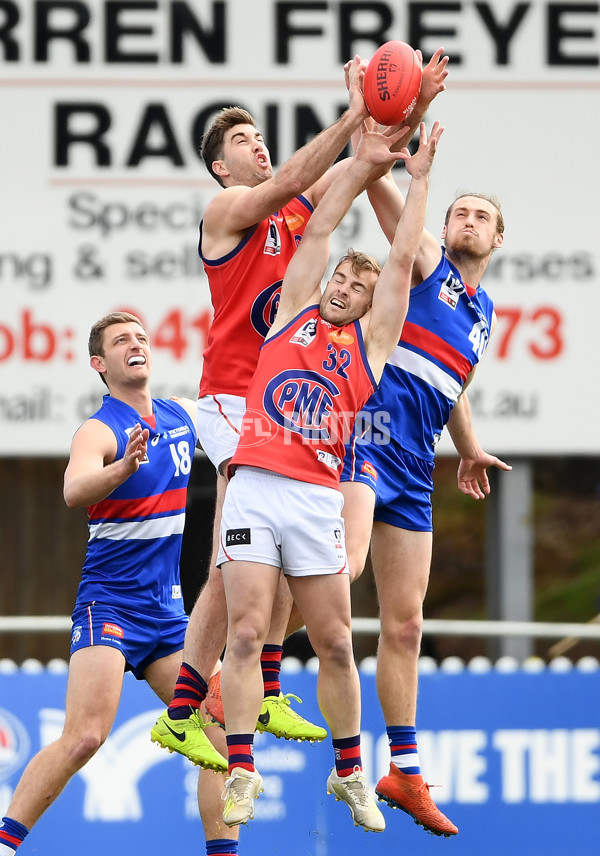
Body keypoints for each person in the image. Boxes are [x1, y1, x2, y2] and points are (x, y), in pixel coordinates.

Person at [152, 49, 450, 755]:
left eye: (258, 132)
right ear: (222, 167)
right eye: (239, 140)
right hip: (230, 398)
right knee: (236, 554)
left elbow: (372, 165)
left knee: (278, 542)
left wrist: (409, 110)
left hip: (281, 405)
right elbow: (304, 172)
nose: (255, 142)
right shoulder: (227, 208)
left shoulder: (298, 204)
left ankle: (266, 687)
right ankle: (192, 695)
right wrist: (353, 111)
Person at [215, 113, 444, 833]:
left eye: (355, 280)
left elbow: (403, 262)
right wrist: (360, 156)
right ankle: (243, 768)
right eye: (341, 274)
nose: (343, 283)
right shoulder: (288, 314)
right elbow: (320, 226)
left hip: (316, 497)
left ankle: (351, 771)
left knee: (338, 642)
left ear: (373, 304)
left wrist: (420, 179)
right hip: (256, 482)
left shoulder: (371, 349)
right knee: (249, 634)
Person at [0, 312, 236, 856]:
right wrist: (121, 469)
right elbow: (73, 489)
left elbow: (244, 420)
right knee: (85, 736)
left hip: (169, 617)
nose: (137, 345)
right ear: (99, 365)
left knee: (224, 733)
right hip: (109, 605)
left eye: (142, 338)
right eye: (121, 340)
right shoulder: (100, 429)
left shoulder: (181, 415)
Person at [339, 168, 512, 836]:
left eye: (480, 216)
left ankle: (404, 772)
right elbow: (391, 219)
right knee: (343, 571)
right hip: (366, 435)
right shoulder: (428, 267)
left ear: (498, 237)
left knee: (405, 624)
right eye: (458, 212)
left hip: (415, 462)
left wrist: (467, 448)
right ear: (443, 230)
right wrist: (380, 160)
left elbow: (452, 384)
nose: (466, 220)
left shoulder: (483, 311)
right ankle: (242, 656)